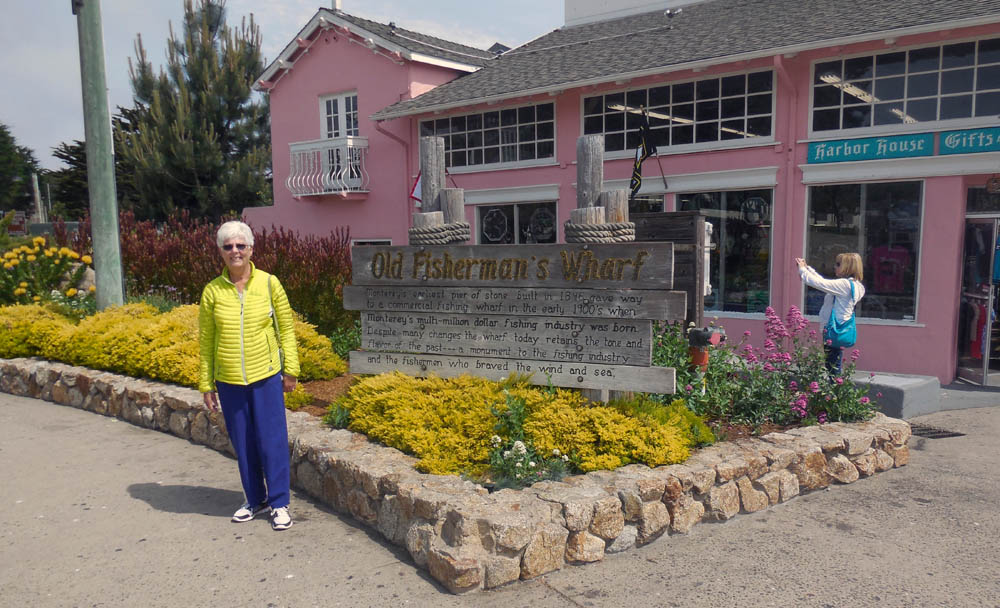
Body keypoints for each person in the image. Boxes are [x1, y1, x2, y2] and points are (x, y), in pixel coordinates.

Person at [198, 221, 300, 531]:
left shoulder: (269, 284)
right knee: (243, 443)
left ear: (251, 249)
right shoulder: (212, 291)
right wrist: (206, 383)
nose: (235, 251)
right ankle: (255, 499)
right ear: (220, 252)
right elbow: (206, 341)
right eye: (228, 246)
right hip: (229, 380)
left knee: (272, 441)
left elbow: (286, 329)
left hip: (266, 375)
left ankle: (279, 502)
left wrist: (291, 369)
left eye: (240, 245)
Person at [795, 252, 865, 373]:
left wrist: (802, 270)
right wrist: (807, 269)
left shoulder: (844, 285)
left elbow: (818, 283)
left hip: (833, 328)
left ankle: (835, 390)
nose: (835, 267)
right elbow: (823, 282)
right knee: (833, 363)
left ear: (847, 267)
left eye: (838, 264)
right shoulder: (856, 285)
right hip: (838, 328)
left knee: (832, 367)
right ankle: (835, 389)